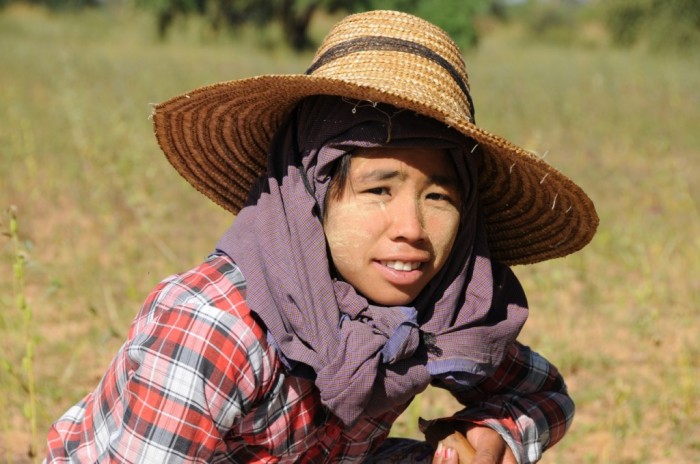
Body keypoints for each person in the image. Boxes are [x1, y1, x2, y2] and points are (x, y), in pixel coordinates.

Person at [45, 9, 598, 464]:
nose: (411, 230)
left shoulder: (438, 313)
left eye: (438, 197)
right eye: (378, 190)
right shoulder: (216, 330)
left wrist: (493, 436)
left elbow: (540, 394)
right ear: (311, 194)